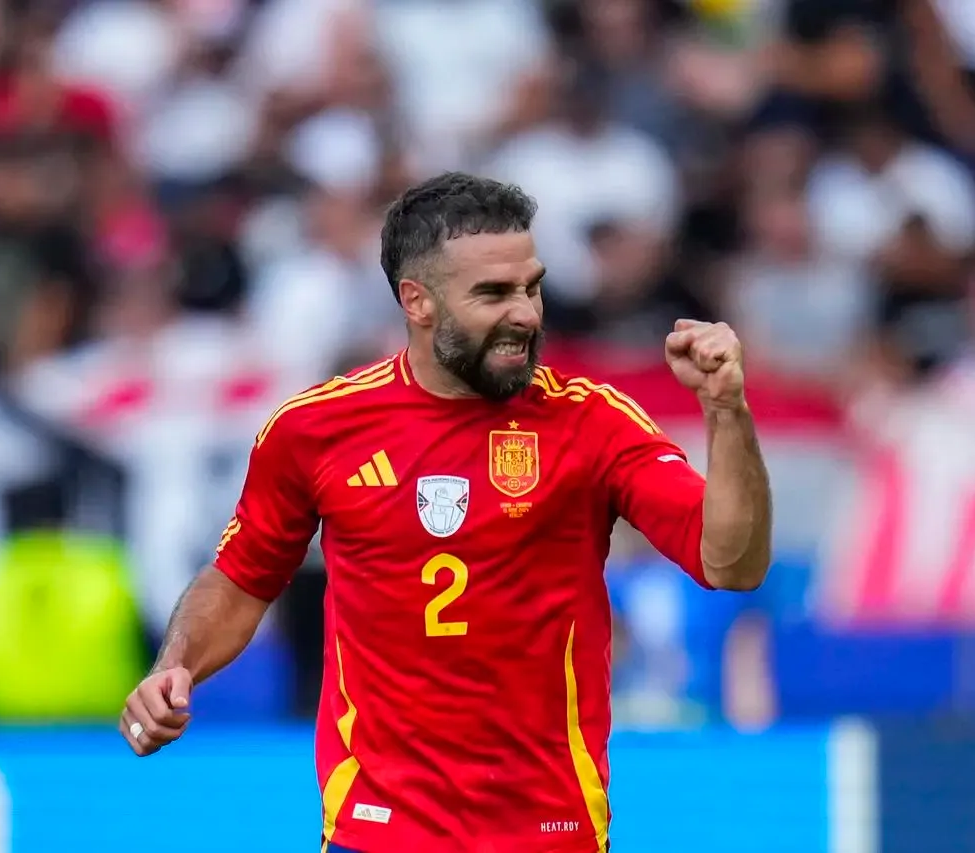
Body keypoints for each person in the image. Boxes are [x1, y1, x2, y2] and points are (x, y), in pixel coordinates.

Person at [119, 172, 773, 852]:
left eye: (532, 286)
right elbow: (241, 577)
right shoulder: (313, 430)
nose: (525, 312)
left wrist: (727, 411)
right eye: (493, 293)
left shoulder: (593, 422)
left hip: (549, 831)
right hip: (375, 830)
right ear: (418, 301)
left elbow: (732, 561)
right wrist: (178, 665)